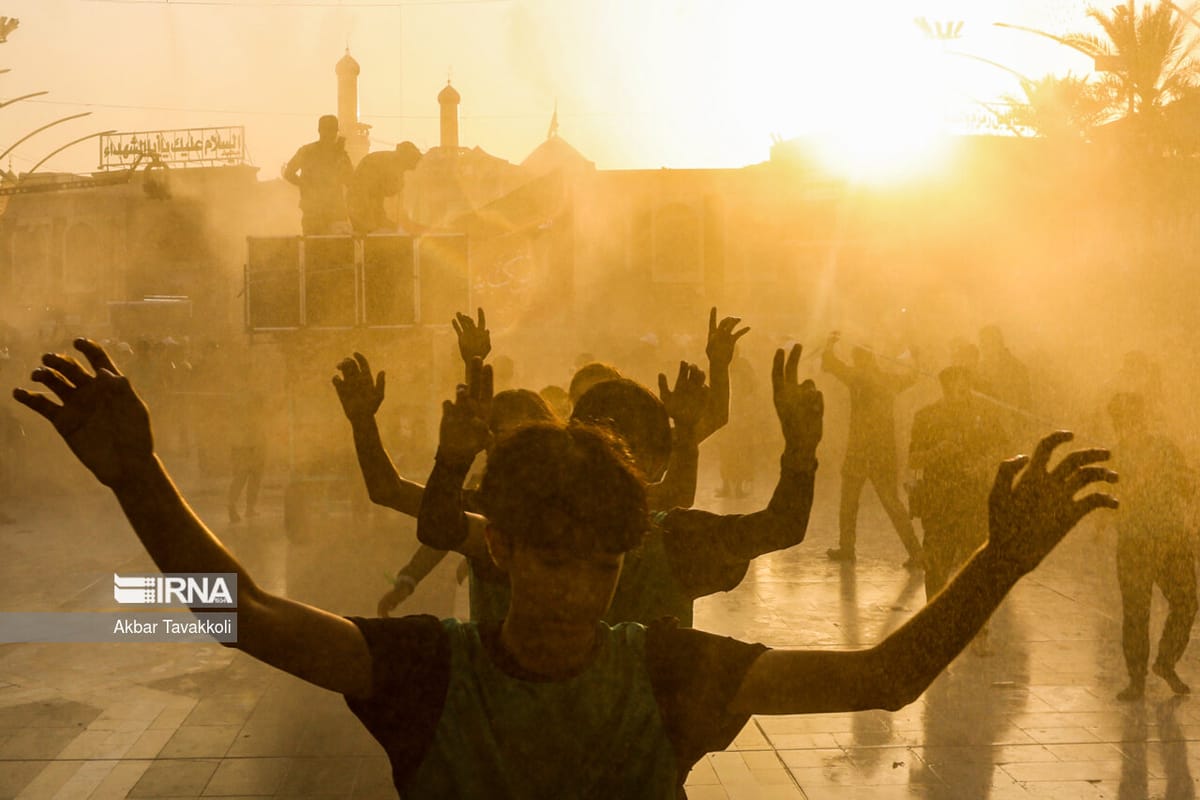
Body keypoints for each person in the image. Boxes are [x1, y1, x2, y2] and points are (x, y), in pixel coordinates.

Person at [11, 338, 1117, 799]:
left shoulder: (672, 669)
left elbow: (883, 677)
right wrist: (139, 477)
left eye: (599, 562)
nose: (574, 588)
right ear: (501, 548)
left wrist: (1002, 560)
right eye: (553, 557)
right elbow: (237, 611)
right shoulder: (425, 671)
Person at [419, 345, 820, 627]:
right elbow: (781, 527)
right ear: (658, 463)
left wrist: (452, 461)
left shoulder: (529, 526)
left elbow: (437, 526)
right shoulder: (675, 540)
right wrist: (800, 455)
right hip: (639, 737)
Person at [1107, 393, 1197, 700]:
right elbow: (1114, 502)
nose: (1133, 426)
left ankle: (1165, 662)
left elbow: (1187, 484)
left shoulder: (1163, 447)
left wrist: (1183, 477)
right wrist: (1141, 479)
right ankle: (1136, 679)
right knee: (1136, 612)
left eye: (1136, 419)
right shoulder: (1115, 457)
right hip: (1135, 542)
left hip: (1171, 538)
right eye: (1126, 421)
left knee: (1186, 603)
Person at [821, 331, 924, 567]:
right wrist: (916, 357)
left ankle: (848, 547)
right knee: (890, 503)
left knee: (850, 502)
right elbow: (913, 377)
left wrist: (830, 343)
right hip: (882, 450)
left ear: (861, 360)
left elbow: (832, 363)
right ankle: (916, 552)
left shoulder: (857, 377)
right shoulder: (887, 379)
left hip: (862, 450)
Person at [909, 366, 1009, 602]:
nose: (963, 393)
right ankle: (934, 618)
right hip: (938, 503)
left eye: (966, 386)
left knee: (974, 565)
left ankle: (971, 619)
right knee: (936, 568)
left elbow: (1002, 446)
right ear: (946, 389)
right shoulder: (927, 416)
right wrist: (938, 452)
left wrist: (982, 464)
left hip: (972, 501)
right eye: (957, 387)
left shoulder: (983, 415)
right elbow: (913, 459)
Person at [282, 114, 353, 236]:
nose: (329, 134)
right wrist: (305, 185)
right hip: (317, 213)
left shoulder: (339, 155)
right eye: (327, 129)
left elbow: (350, 181)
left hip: (332, 213)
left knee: (333, 251)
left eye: (332, 130)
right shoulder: (307, 152)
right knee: (319, 250)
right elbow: (289, 173)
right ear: (320, 130)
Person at [346, 141, 423, 235]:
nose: (415, 165)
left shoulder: (391, 161)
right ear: (408, 158)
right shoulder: (392, 164)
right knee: (376, 233)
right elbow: (390, 190)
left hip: (369, 202)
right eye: (414, 161)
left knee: (386, 228)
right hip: (361, 204)